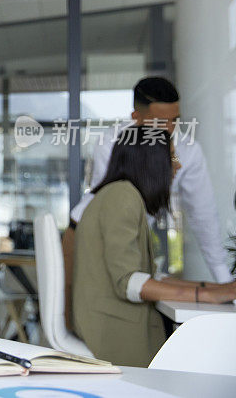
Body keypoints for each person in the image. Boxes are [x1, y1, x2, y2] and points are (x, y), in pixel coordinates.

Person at [73, 127, 236, 367]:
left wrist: (218, 288)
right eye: (172, 157)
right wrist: (210, 295)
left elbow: (147, 275)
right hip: (112, 330)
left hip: (107, 319)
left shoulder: (120, 194)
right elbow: (129, 282)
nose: (178, 166)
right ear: (149, 161)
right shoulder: (122, 197)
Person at [70, 77, 232, 282]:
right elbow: (109, 206)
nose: (170, 129)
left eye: (175, 120)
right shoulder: (111, 142)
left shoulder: (188, 150)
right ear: (136, 117)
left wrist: (224, 281)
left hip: (132, 244)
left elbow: (203, 214)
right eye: (162, 121)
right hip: (90, 235)